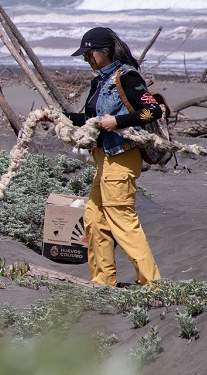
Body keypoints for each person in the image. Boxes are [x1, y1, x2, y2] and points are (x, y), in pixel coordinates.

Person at [66, 26, 162, 286]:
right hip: (103, 160)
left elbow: (152, 111)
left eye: (89, 55)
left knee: (122, 221)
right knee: (94, 220)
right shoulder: (100, 80)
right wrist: (61, 117)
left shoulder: (127, 77)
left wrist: (119, 121)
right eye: (85, 56)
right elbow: (93, 119)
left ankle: (152, 284)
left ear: (104, 52)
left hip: (121, 158)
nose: (87, 60)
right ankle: (102, 281)